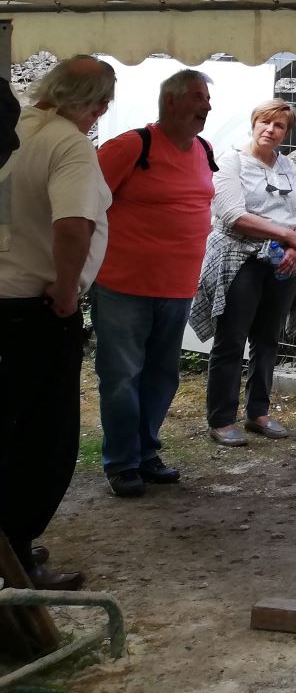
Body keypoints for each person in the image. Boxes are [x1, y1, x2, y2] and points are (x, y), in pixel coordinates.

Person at [0, 56, 115, 589]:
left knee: (11, 427)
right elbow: (72, 224)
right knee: (44, 438)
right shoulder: (68, 143)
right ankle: (16, 553)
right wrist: (67, 292)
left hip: (6, 300)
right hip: (35, 308)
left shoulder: (18, 128)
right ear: (97, 105)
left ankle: (11, 546)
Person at [92, 68, 217, 497]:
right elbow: (84, 205)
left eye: (207, 99)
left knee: (161, 377)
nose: (207, 106)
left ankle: (145, 453)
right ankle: (122, 462)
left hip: (177, 287)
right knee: (121, 376)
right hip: (122, 286)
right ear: (170, 101)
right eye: (199, 97)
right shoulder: (131, 146)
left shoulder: (204, 149)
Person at [193, 99, 296, 445]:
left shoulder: (287, 165)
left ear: (286, 133)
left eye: (279, 126)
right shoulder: (230, 162)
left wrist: (294, 246)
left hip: (282, 260)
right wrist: (288, 236)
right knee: (231, 339)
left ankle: (258, 413)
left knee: (268, 338)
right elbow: (234, 215)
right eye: (265, 122)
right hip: (240, 258)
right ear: (254, 123)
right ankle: (221, 419)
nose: (270, 130)